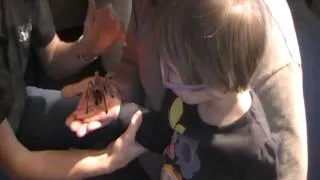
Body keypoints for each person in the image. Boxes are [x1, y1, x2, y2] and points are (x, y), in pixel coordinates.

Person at [63, 0, 307, 179]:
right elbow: (132, 64)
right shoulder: (185, 99)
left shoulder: (260, 40)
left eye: (173, 70)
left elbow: (289, 170)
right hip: (160, 159)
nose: (165, 74)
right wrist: (115, 93)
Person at [0, 0, 147, 179]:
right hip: (9, 151)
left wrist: (88, 47)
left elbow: (53, 58)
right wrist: (110, 159)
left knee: (125, 121)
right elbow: (17, 163)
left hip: (19, 106)